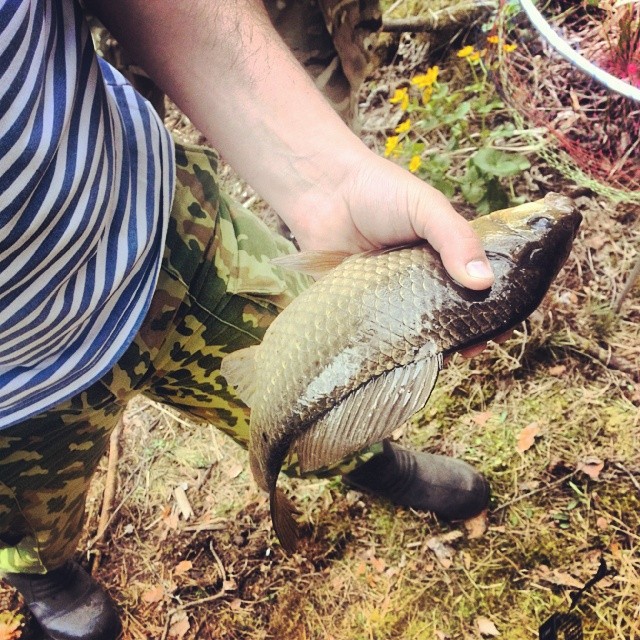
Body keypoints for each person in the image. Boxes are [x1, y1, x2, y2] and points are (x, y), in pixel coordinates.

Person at [0, 1, 501, 638]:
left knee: (328, 389)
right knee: (27, 519)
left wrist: (324, 182)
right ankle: (47, 578)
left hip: (169, 229)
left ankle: (368, 460)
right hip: (13, 399)